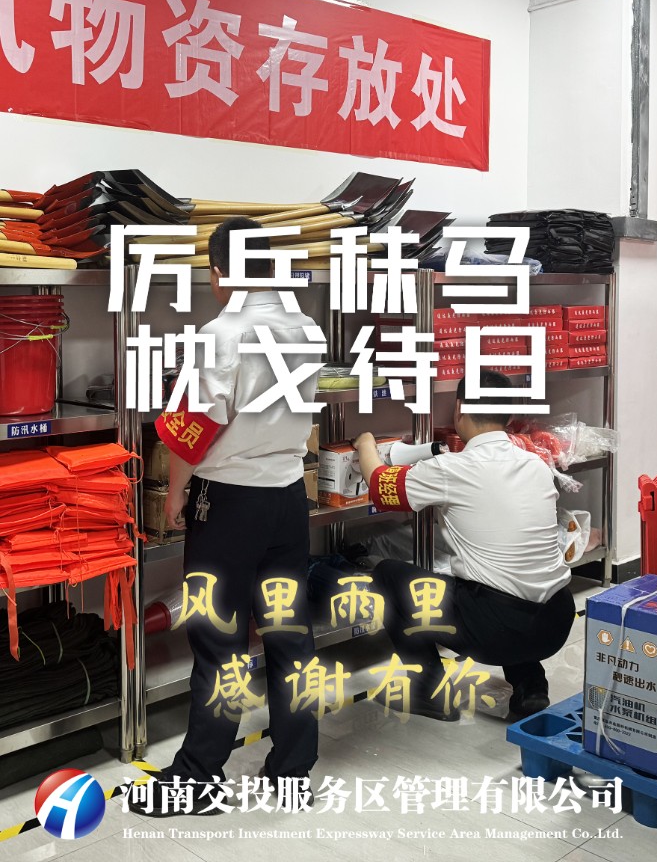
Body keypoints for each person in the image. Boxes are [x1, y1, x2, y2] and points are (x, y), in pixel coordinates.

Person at [130, 217, 321, 817]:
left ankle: (197, 781)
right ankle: (293, 770)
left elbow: (195, 427)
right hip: (288, 497)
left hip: (231, 501)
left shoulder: (222, 333)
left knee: (218, 643)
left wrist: (174, 494)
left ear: (219, 272)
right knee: (290, 636)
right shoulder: (306, 327)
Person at [352, 369, 575, 722]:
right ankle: (531, 687)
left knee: (388, 575)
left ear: (459, 409)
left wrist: (365, 443)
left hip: (499, 629)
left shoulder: (452, 468)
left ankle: (428, 692)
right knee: (510, 575)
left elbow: (381, 487)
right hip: (557, 619)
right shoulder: (535, 464)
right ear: (509, 415)